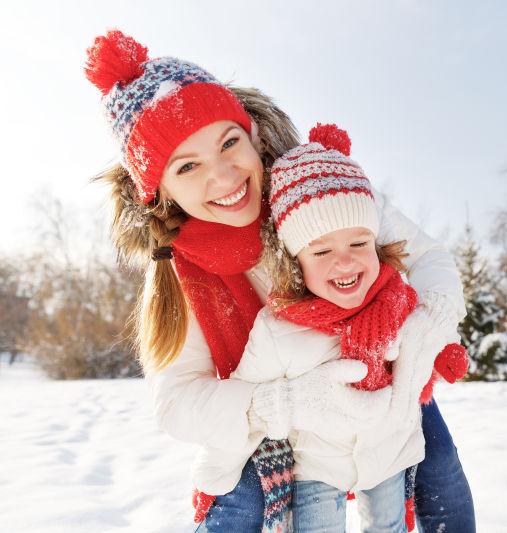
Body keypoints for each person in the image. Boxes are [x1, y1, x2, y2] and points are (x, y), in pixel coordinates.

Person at [85, 29, 476, 532]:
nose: (224, 177)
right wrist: (282, 404)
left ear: (254, 134)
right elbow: (178, 401)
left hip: (372, 372)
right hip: (270, 416)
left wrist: (425, 327)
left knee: (437, 462)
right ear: (158, 192)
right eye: (188, 166)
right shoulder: (180, 274)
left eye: (230, 143)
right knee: (237, 502)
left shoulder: (320, 191)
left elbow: (427, 258)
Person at [194, 123, 469, 532]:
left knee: (400, 515)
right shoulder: (278, 329)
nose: (344, 261)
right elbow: (247, 391)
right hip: (318, 467)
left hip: (388, 458)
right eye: (322, 251)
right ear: (295, 261)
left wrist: (433, 331)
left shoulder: (396, 304)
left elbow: (429, 281)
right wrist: (216, 472)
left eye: (359, 245)